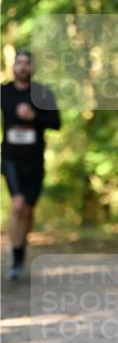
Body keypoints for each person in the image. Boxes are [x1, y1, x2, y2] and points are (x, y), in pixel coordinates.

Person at [1, 50, 60, 280]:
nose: (23, 67)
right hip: (11, 158)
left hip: (35, 160)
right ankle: (16, 259)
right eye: (20, 63)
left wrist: (33, 116)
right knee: (17, 205)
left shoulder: (43, 93)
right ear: (14, 66)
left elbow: (56, 123)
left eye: (27, 63)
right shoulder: (4, 92)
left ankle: (19, 249)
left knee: (28, 211)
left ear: (32, 67)